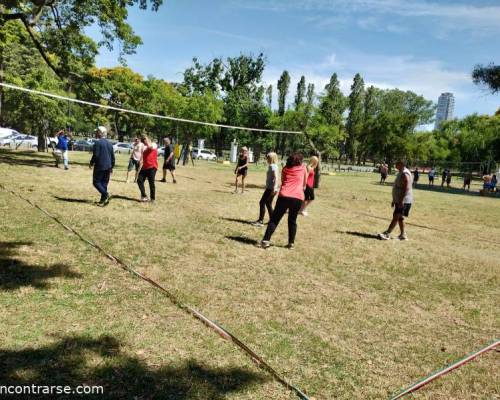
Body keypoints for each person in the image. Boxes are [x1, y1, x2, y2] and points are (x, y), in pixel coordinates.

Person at [260, 152, 307, 249]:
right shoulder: (303, 168)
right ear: (300, 161)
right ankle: (291, 243)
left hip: (284, 196)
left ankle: (266, 240)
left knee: (275, 219)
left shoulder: (285, 169)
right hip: (297, 197)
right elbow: (304, 184)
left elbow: (283, 180)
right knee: (292, 220)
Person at [378, 160, 413, 241]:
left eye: (397, 164)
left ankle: (387, 233)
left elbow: (406, 187)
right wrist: (395, 199)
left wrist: (401, 200)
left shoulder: (405, 173)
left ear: (401, 164)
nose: (395, 165)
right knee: (400, 217)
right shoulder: (401, 172)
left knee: (396, 216)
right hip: (400, 199)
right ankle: (403, 235)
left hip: (403, 200)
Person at [89, 126, 115, 205]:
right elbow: (112, 157)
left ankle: (105, 194)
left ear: (100, 133)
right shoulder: (110, 144)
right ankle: (103, 200)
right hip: (108, 166)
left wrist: (91, 163)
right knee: (104, 183)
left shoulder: (97, 143)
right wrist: (112, 167)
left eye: (96, 132)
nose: (95, 133)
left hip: (100, 166)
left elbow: (96, 155)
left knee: (96, 182)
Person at [252, 152, 279, 227]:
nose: (267, 158)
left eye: (268, 157)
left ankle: (260, 221)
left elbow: (276, 177)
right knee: (268, 204)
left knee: (262, 202)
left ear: (272, 158)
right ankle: (273, 220)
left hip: (271, 189)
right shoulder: (275, 166)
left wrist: (274, 187)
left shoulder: (272, 166)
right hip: (272, 188)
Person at [137, 134, 158, 202]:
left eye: (145, 139)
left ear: (148, 139)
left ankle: (152, 198)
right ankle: (144, 196)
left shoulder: (154, 144)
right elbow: (143, 156)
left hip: (152, 167)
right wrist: (140, 162)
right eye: (143, 140)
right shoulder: (144, 147)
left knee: (151, 182)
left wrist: (147, 140)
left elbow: (151, 147)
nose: (144, 141)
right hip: (144, 167)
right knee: (139, 180)